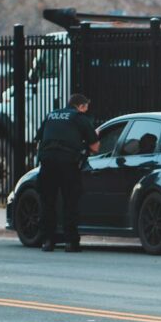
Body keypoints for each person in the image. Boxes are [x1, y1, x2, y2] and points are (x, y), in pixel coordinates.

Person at [35, 93, 100, 252]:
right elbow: (95, 148)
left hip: (47, 162)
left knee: (48, 202)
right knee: (70, 202)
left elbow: (39, 139)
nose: (86, 111)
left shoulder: (52, 115)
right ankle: (71, 242)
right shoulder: (79, 118)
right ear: (81, 106)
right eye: (86, 108)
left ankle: (47, 241)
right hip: (67, 164)